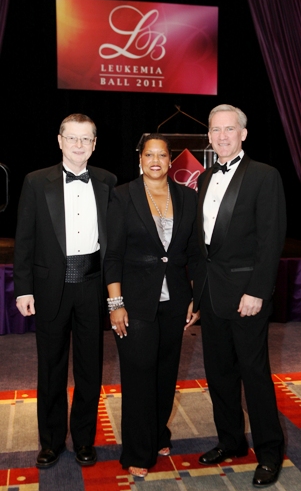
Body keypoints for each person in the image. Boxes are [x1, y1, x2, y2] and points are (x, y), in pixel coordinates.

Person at [14, 113, 117, 469]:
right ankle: (51, 441)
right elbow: (24, 240)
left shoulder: (107, 180)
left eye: (85, 139)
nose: (78, 145)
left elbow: (113, 244)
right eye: (71, 138)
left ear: (94, 144)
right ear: (59, 140)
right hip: (49, 289)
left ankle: (85, 439)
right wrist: (23, 289)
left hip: (91, 287)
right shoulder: (34, 181)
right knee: (51, 368)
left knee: (90, 368)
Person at [192, 104, 286, 488]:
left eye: (229, 129)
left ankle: (269, 451)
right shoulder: (203, 178)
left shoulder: (265, 176)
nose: (222, 136)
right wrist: (196, 295)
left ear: (243, 134)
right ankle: (230, 441)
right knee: (219, 374)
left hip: (247, 296)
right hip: (212, 295)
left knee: (255, 374)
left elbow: (271, 239)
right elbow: (202, 246)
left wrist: (257, 291)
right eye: (215, 130)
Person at [104, 133, 200, 478]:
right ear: (140, 159)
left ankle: (159, 433)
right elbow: (112, 255)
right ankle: (137, 452)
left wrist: (194, 297)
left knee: (165, 371)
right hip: (134, 302)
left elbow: (193, 254)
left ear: (170, 160)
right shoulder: (122, 196)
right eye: (149, 155)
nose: (155, 160)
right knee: (138, 376)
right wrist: (115, 303)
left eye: (162, 155)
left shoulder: (188, 197)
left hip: (174, 301)